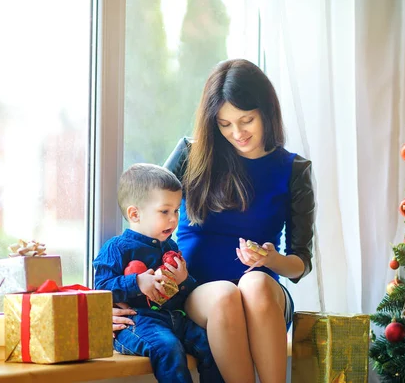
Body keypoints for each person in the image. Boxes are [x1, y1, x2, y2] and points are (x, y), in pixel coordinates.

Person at [113, 59, 315, 383]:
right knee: (224, 295)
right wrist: (115, 298)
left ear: (266, 111)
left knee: (256, 282)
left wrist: (270, 259)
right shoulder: (191, 155)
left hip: (267, 301)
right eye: (224, 123)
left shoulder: (294, 170)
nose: (237, 133)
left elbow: (300, 265)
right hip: (199, 294)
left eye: (246, 120)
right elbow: (140, 226)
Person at [94, 163, 223, 383]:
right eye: (165, 211)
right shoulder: (116, 247)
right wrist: (137, 282)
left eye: (176, 211)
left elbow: (185, 295)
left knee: (212, 344)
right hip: (137, 323)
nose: (173, 219)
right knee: (167, 347)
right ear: (134, 214)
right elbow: (101, 288)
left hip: (175, 319)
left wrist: (184, 281)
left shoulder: (171, 248)